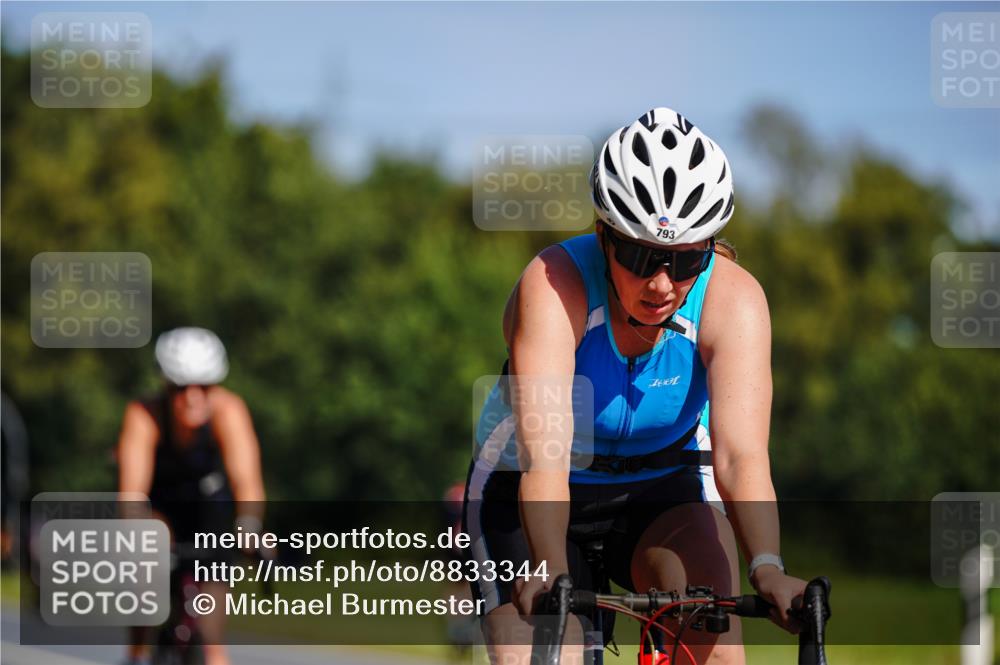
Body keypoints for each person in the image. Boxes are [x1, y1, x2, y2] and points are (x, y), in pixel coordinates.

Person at [463, 107, 808, 665]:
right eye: (641, 256)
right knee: (546, 653)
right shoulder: (554, 286)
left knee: (714, 647)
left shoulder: (734, 302)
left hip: (663, 485)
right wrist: (549, 566)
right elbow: (545, 458)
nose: (663, 283)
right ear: (604, 238)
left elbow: (742, 457)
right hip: (534, 485)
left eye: (687, 259)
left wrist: (767, 564)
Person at [117, 327, 266, 665]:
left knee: (212, 637)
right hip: (160, 510)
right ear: (165, 385)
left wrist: (249, 526)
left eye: (204, 386)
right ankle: (137, 654)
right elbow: (131, 494)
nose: (193, 397)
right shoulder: (144, 415)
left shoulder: (230, 411)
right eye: (180, 387)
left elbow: (248, 481)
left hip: (210, 512)